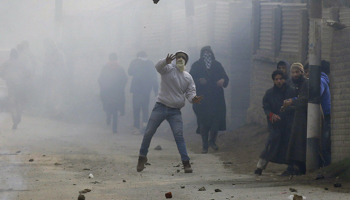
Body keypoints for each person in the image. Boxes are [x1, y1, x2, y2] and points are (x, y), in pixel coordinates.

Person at [137, 51, 203, 173]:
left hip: (175, 111)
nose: (180, 59)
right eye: (178, 57)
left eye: (183, 58)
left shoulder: (188, 77)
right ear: (174, 59)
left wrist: (193, 99)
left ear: (185, 62)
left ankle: (186, 163)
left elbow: (190, 92)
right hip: (161, 106)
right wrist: (165, 61)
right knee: (148, 132)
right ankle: (142, 157)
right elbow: (158, 67)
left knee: (179, 136)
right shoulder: (167, 69)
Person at [254, 70, 297, 175]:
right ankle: (260, 167)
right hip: (275, 124)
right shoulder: (269, 93)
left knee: (290, 144)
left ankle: (291, 168)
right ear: (273, 80)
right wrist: (271, 115)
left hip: (288, 123)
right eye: (276, 79)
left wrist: (288, 109)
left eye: (281, 79)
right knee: (272, 142)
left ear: (284, 79)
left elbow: (296, 105)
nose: (279, 81)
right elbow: (266, 107)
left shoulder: (292, 91)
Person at [189, 46, 229, 154]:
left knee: (215, 122)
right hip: (202, 99)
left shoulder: (217, 65)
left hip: (216, 99)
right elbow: (189, 80)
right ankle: (205, 146)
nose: (207, 54)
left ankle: (212, 141)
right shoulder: (196, 66)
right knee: (203, 122)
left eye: (209, 52)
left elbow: (225, 77)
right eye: (204, 52)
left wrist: (222, 80)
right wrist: (198, 80)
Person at [304, 61, 332, 167]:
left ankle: (328, 168)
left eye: (307, 72)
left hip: (325, 116)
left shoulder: (320, 80)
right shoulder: (322, 80)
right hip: (321, 116)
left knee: (323, 146)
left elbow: (316, 93)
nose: (306, 74)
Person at [283, 63, 309, 175]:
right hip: (298, 117)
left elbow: (306, 98)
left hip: (305, 118)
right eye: (293, 72)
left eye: (297, 72)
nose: (295, 74)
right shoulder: (296, 84)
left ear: (302, 72)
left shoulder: (306, 83)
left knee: (300, 142)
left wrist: (293, 102)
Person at [128, 51, 158, 134]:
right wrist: (156, 90)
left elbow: (129, 73)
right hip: (146, 90)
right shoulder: (150, 63)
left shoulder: (134, 62)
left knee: (136, 108)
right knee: (145, 108)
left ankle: (136, 127)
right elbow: (154, 77)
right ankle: (145, 126)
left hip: (136, 89)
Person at [0, 49, 30, 130]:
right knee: (19, 101)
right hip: (20, 85)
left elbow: (1, 72)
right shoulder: (22, 63)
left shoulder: (6, 63)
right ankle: (18, 115)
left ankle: (14, 119)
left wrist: (5, 78)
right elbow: (27, 73)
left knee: (12, 102)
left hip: (11, 84)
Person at [98, 53, 128, 133]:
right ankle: (115, 128)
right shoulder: (120, 68)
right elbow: (125, 79)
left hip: (107, 91)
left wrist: (103, 87)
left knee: (105, 102)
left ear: (109, 59)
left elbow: (100, 79)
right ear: (116, 59)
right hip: (117, 91)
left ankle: (107, 113)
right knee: (117, 107)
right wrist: (121, 87)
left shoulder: (105, 68)